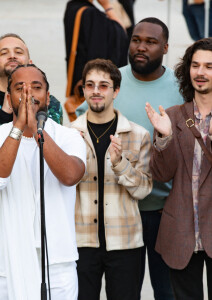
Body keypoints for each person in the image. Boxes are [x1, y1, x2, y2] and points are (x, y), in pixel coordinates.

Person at [76, 18, 183, 299]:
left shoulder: (180, 88)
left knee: (168, 292)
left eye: (150, 42)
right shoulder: (112, 83)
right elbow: (80, 124)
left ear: (165, 47)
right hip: (120, 213)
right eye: (136, 40)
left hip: (165, 212)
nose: (141, 47)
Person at [0, 64, 86, 300]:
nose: (28, 94)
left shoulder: (69, 137)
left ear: (48, 95)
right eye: (20, 88)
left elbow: (70, 176)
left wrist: (36, 131)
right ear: (8, 96)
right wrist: (18, 129)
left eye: (36, 87)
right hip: (1, 265)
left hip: (55, 263)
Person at [0, 33, 63, 260]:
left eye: (18, 51)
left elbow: (53, 143)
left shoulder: (49, 102)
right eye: (4, 52)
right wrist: (6, 113)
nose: (12, 56)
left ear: (30, 60)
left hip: (36, 199)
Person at [71, 58, 152, 300]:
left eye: (104, 85)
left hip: (125, 242)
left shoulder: (138, 135)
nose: (96, 91)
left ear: (116, 91)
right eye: (90, 85)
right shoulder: (69, 135)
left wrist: (119, 163)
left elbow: (144, 189)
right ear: (84, 89)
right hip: (81, 240)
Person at [145, 37, 212, 300]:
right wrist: (163, 138)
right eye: (195, 65)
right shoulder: (171, 116)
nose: (201, 72)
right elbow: (161, 175)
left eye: (209, 66)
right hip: (181, 231)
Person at [64, 0, 128, 96]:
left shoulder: (72, 7)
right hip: (97, 91)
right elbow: (121, 34)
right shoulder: (92, 14)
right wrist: (107, 6)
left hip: (81, 85)